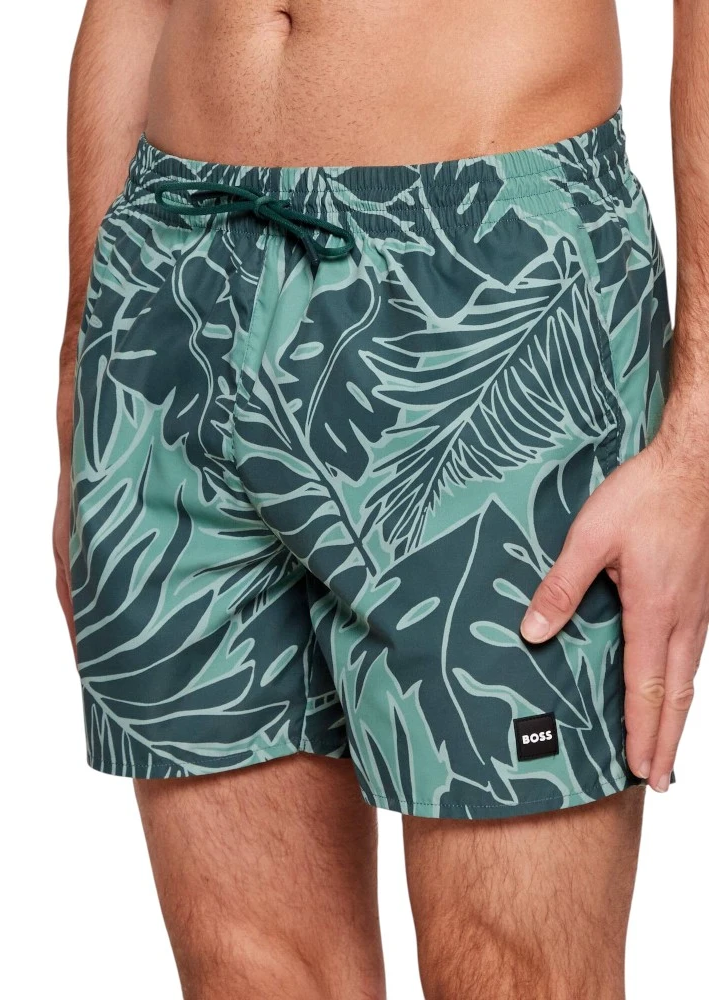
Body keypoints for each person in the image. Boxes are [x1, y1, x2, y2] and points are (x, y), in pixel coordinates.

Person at [54, 2, 708, 996]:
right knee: (248, 971)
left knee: (510, 970)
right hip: (173, 279)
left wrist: (696, 447)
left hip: (481, 277)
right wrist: (83, 370)